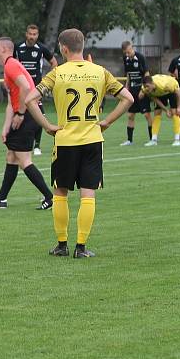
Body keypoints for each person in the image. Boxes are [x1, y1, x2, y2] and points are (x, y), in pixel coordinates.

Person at [25, 28, 133, 259]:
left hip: (65, 140)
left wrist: (47, 126)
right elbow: (128, 98)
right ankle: (81, 247)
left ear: (64, 49)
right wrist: (106, 122)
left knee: (60, 193)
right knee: (88, 194)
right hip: (93, 139)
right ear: (82, 46)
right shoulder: (100, 72)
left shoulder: (57, 73)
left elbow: (30, 99)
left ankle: (62, 245)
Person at [0, 37, 54, 210]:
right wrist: (5, 128)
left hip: (27, 115)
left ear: (5, 49)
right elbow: (10, 102)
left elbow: (26, 88)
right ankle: (1, 199)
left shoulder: (11, 65)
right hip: (25, 114)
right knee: (11, 157)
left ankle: (50, 197)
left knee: (24, 159)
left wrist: (20, 113)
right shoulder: (8, 67)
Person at [14, 24, 58, 156]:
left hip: (36, 88)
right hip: (22, 88)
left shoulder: (41, 48)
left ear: (37, 35)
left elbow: (54, 63)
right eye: (30, 34)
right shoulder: (18, 47)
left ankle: (37, 146)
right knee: (19, 114)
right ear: (26, 34)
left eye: (35, 34)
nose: (32, 37)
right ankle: (19, 144)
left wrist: (47, 79)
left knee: (39, 116)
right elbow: (11, 62)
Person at [119, 41, 153, 146]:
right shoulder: (126, 59)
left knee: (147, 115)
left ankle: (153, 139)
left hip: (142, 90)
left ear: (131, 47)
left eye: (128, 52)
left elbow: (147, 74)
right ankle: (129, 140)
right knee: (130, 115)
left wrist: (144, 89)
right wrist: (126, 87)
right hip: (132, 91)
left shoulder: (141, 57)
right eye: (126, 53)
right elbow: (128, 74)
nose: (127, 55)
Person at [140, 74, 180, 146]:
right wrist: (166, 110)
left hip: (171, 90)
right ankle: (154, 140)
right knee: (157, 113)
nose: (146, 88)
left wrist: (179, 107)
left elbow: (177, 92)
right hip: (159, 93)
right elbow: (155, 99)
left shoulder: (165, 85)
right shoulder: (145, 89)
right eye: (145, 87)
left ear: (152, 83)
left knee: (174, 112)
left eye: (147, 86)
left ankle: (177, 139)